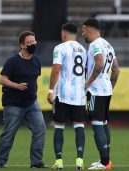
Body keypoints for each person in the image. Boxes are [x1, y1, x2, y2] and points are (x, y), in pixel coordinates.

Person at [0, 31, 47, 169]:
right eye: (29, 42)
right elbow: (2, 79)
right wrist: (17, 86)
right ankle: (0, 162)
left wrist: (33, 93)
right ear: (22, 45)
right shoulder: (12, 61)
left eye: (34, 41)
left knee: (40, 129)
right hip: (13, 104)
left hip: (31, 103)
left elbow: (35, 80)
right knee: (9, 133)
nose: (32, 44)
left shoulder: (36, 61)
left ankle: (36, 162)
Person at [47, 22, 87, 170]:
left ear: (63, 33)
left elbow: (56, 68)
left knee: (59, 126)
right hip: (79, 95)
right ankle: (79, 161)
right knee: (79, 126)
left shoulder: (60, 48)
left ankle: (59, 162)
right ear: (75, 34)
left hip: (63, 94)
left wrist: (51, 91)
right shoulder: (83, 49)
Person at [81, 18, 120, 170]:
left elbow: (99, 63)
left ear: (89, 30)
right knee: (103, 122)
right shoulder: (107, 44)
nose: (82, 33)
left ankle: (104, 162)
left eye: (83, 30)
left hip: (96, 90)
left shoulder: (95, 44)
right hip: (106, 89)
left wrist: (88, 84)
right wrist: (110, 87)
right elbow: (116, 69)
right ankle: (106, 160)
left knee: (97, 123)